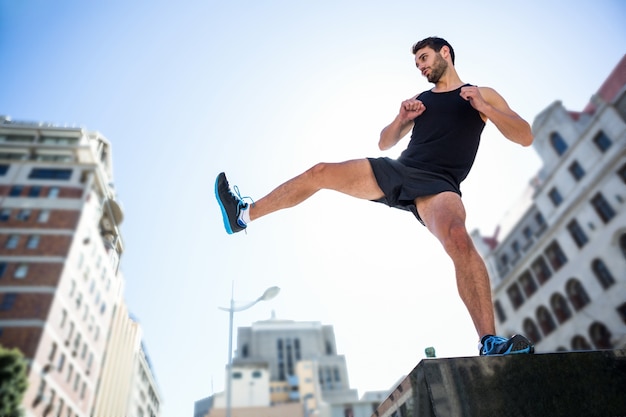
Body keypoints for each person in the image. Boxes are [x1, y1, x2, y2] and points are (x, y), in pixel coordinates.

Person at [215, 36, 535, 356]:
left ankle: (490, 342)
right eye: (417, 63)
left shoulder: (481, 94)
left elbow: (524, 135)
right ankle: (243, 215)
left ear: (445, 53)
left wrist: (484, 107)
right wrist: (401, 118)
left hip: (440, 185)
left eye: (424, 58)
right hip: (399, 170)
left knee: (457, 237)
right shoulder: (421, 99)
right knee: (321, 172)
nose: (421, 67)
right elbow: (384, 143)